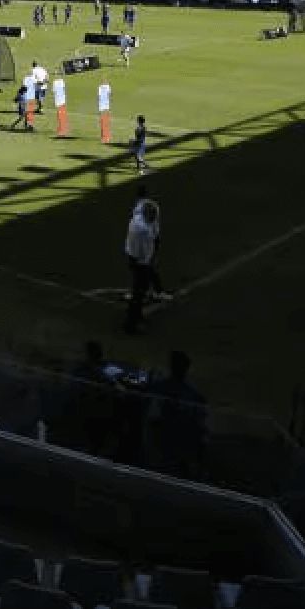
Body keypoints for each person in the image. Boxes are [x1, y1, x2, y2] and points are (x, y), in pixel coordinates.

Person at [144, 350, 209, 477]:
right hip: (176, 444)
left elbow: (153, 419)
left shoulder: (162, 389)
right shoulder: (193, 394)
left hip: (171, 444)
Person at [123, 200, 160, 334]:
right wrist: (148, 262)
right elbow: (142, 254)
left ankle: (135, 312)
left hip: (134, 256)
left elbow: (141, 205)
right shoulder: (142, 232)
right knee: (139, 291)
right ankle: (131, 324)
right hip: (139, 260)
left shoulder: (139, 215)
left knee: (139, 286)